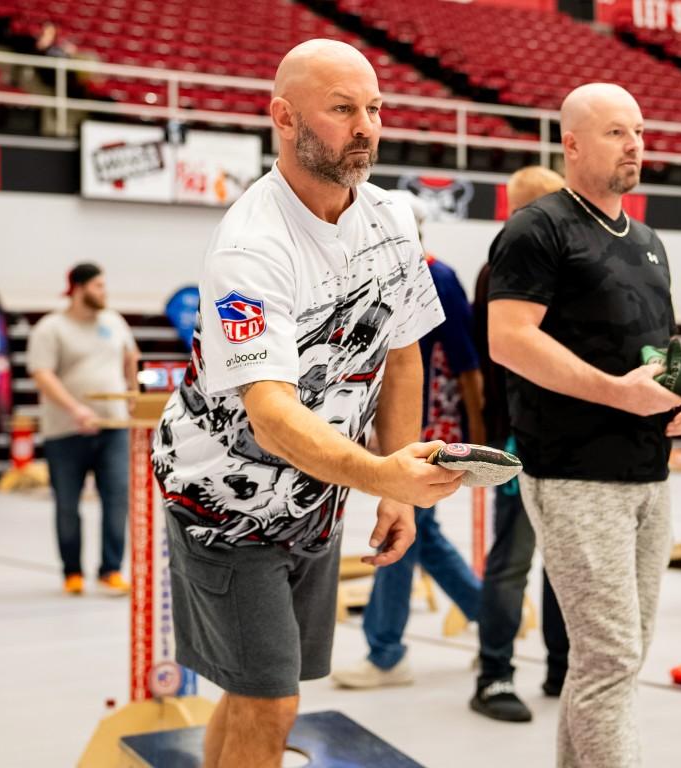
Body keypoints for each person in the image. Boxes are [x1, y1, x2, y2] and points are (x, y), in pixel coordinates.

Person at [151, 40, 463, 767]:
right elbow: (271, 413)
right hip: (223, 503)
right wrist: (382, 477)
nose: (367, 126)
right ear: (284, 119)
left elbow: (405, 348)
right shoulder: (250, 249)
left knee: (255, 683)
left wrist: (396, 485)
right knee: (273, 699)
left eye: (375, 108)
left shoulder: (390, 218)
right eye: (343, 109)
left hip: (316, 490)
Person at [488, 83, 681, 766]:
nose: (635, 144)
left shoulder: (646, 240)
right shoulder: (538, 227)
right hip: (575, 473)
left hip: (648, 473)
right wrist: (615, 394)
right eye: (616, 132)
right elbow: (509, 340)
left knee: (612, 658)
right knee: (610, 657)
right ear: (572, 143)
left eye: (638, 130)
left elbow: (660, 345)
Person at [331, 195, 483, 690]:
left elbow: (465, 364)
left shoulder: (437, 278)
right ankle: (493, 617)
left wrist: (475, 431)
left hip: (429, 430)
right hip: (402, 428)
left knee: (401, 527)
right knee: (423, 536)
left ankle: (386, 649)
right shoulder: (383, 275)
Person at [470, 165, 569, 724]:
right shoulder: (505, 267)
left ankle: (561, 665)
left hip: (562, 440)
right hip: (519, 436)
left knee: (561, 561)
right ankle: (494, 673)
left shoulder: (558, 266)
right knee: (513, 560)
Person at [26, 263, 139, 596]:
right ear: (78, 288)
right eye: (98, 286)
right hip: (65, 431)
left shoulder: (113, 321)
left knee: (117, 498)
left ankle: (111, 570)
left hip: (113, 427)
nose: (104, 292)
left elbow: (131, 355)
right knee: (67, 504)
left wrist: (133, 395)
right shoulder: (51, 328)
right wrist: (75, 409)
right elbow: (42, 374)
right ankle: (72, 572)